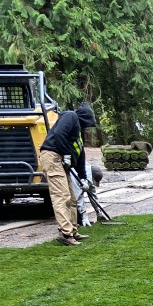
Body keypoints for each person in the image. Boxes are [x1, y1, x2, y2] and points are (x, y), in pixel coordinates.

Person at [39, 102, 97, 246]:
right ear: (84, 118)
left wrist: (83, 178)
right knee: (61, 196)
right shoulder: (70, 116)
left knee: (72, 198)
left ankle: (73, 230)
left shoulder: (79, 132)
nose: (88, 127)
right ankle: (65, 234)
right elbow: (59, 134)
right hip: (52, 156)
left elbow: (80, 155)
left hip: (63, 161)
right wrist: (66, 154)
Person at [70, 163, 104, 229]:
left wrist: (98, 211)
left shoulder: (89, 174)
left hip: (81, 180)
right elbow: (78, 196)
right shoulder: (77, 175)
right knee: (73, 201)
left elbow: (93, 195)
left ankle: (80, 220)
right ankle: (78, 222)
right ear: (92, 178)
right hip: (69, 180)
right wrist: (84, 216)